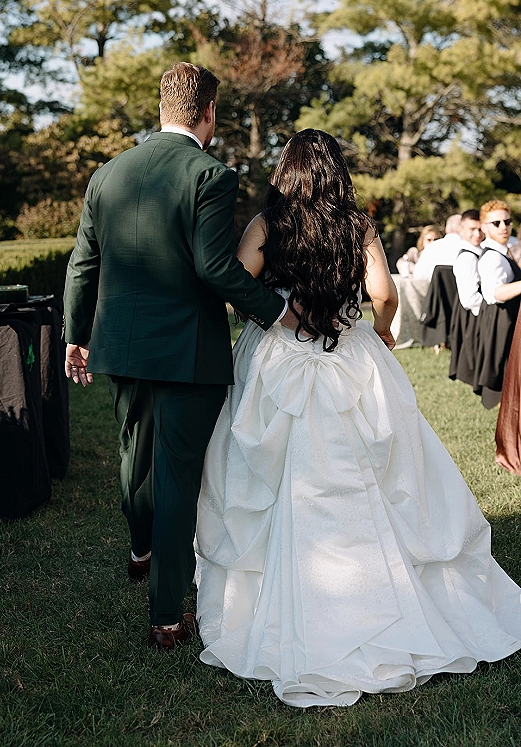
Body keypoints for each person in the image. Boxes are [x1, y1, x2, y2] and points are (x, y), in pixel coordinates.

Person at [195, 130, 521, 708]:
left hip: (279, 352)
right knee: (383, 470)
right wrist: (382, 332)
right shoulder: (356, 225)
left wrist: (278, 315)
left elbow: (235, 281)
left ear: (288, 172)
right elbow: (383, 292)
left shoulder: (269, 223)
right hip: (349, 352)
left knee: (267, 474)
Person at [63, 62, 297, 651]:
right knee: (175, 478)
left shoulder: (107, 174)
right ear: (208, 113)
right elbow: (214, 267)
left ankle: (141, 547)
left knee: (132, 452)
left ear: (162, 107)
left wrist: (74, 333)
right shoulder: (211, 175)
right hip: (187, 352)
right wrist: (276, 311)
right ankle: (167, 615)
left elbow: (83, 261)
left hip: (119, 345)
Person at [475, 200, 521, 408]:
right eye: (496, 223)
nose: (503, 227)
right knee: (506, 378)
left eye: (507, 221)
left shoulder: (503, 250)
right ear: (484, 227)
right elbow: (496, 293)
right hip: (501, 321)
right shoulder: (492, 258)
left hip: (507, 319)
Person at [449, 210, 484, 386]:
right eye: (472, 229)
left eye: (480, 229)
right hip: (474, 315)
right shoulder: (467, 258)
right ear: (461, 229)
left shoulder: (480, 251)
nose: (477, 234)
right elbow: (469, 298)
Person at [411, 213, 462, 281]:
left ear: (446, 229)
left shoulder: (431, 248)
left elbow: (418, 276)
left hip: (435, 290)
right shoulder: (468, 248)